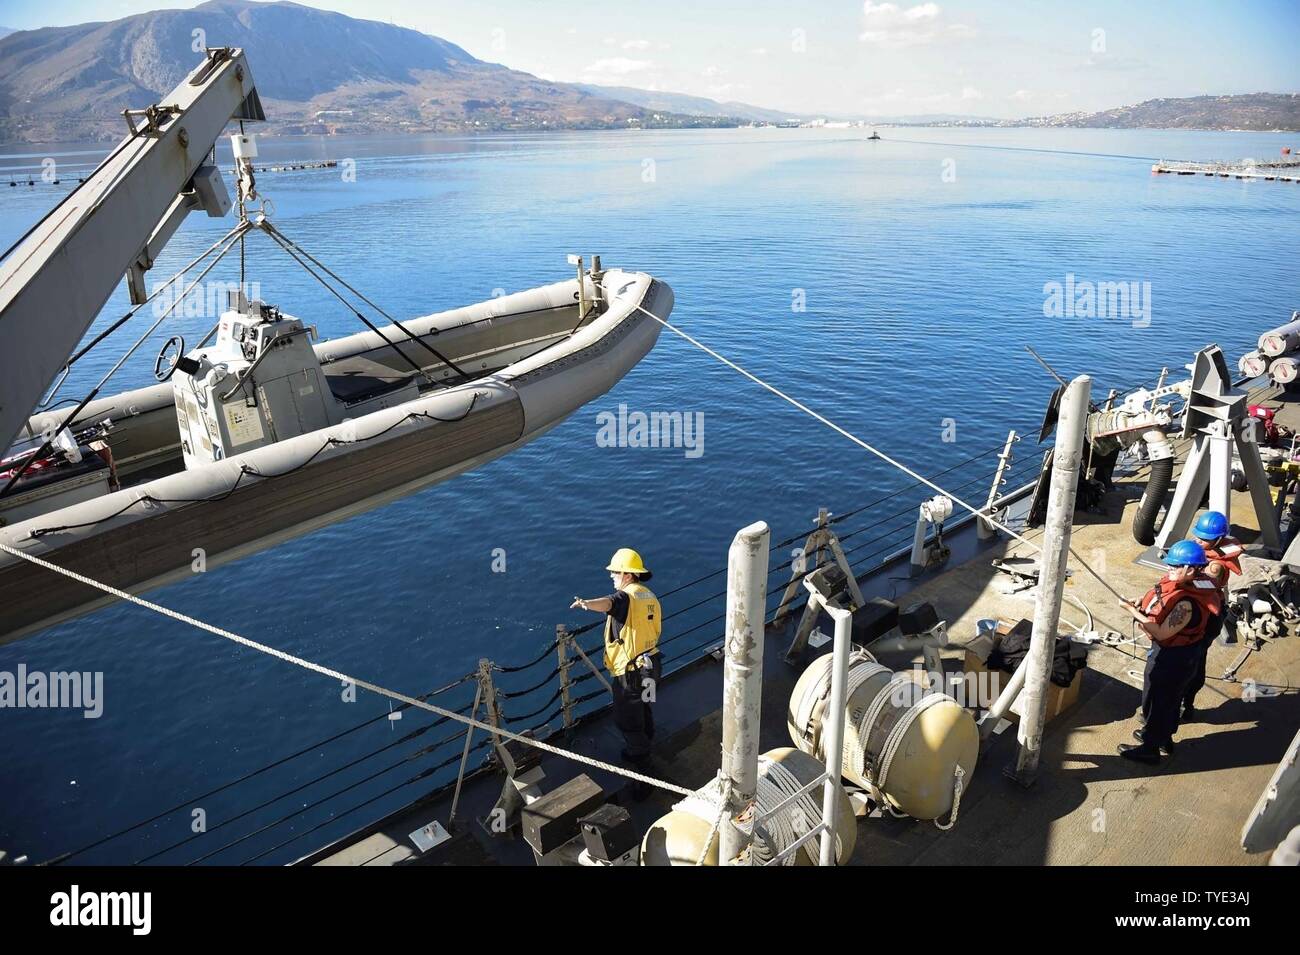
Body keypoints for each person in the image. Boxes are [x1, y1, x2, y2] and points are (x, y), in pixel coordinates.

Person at [1116, 540, 1222, 764]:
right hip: (1184, 655)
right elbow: (1160, 600)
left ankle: (1150, 749)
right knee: (1170, 700)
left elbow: (1162, 632)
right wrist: (1140, 602)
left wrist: (1132, 612)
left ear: (1191, 569)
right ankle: (1163, 738)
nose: (1170, 569)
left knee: (1157, 699)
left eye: (1175, 566)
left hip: (1173, 658)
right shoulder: (1191, 585)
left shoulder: (1186, 604)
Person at [571, 548, 662, 766]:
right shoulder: (648, 595)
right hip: (653, 663)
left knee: (626, 719)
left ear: (627, 575)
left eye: (615, 572)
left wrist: (586, 603)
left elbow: (609, 603)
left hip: (631, 673)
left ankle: (640, 762)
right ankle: (648, 739)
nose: (611, 576)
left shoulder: (625, 597)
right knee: (644, 706)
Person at [1182, 510, 1242, 717]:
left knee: (1194, 660)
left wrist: (1181, 574)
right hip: (1203, 608)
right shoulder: (1206, 547)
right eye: (1197, 536)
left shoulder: (1215, 566)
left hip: (1207, 615)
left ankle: (1184, 705)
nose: (1198, 541)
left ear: (1218, 539)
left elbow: (1201, 586)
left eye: (1204, 539)